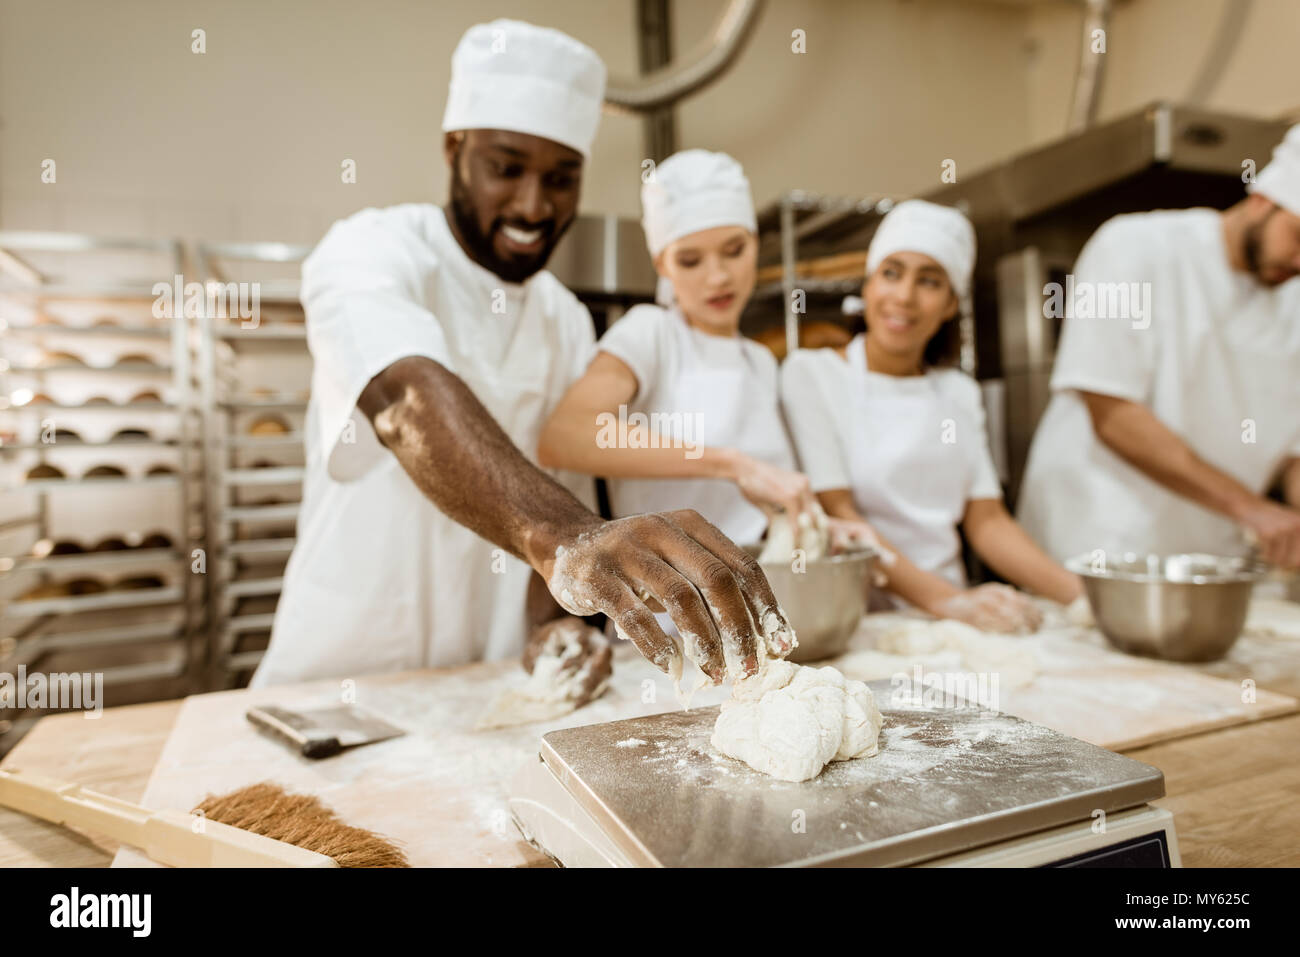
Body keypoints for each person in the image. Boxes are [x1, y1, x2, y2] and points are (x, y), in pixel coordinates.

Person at [252, 21, 794, 693]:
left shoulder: (563, 315)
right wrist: (573, 538)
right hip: (347, 669)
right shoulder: (371, 249)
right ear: (454, 150)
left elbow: (554, 473)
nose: (534, 204)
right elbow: (404, 399)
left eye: (562, 179)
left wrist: (553, 622)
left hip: (492, 677)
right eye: (505, 169)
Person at [781, 200, 1082, 632]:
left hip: (955, 622)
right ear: (867, 286)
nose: (904, 296)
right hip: (863, 622)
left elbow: (987, 521)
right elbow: (841, 515)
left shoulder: (958, 393)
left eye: (929, 281)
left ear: (949, 305)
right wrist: (950, 602)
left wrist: (1081, 599)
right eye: (891, 272)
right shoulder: (811, 374)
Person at [1017, 124, 1300, 569]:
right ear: (1265, 198)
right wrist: (1252, 509)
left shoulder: (1294, 299)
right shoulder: (1130, 247)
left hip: (1214, 555)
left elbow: (1292, 450)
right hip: (1103, 539)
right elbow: (1111, 413)